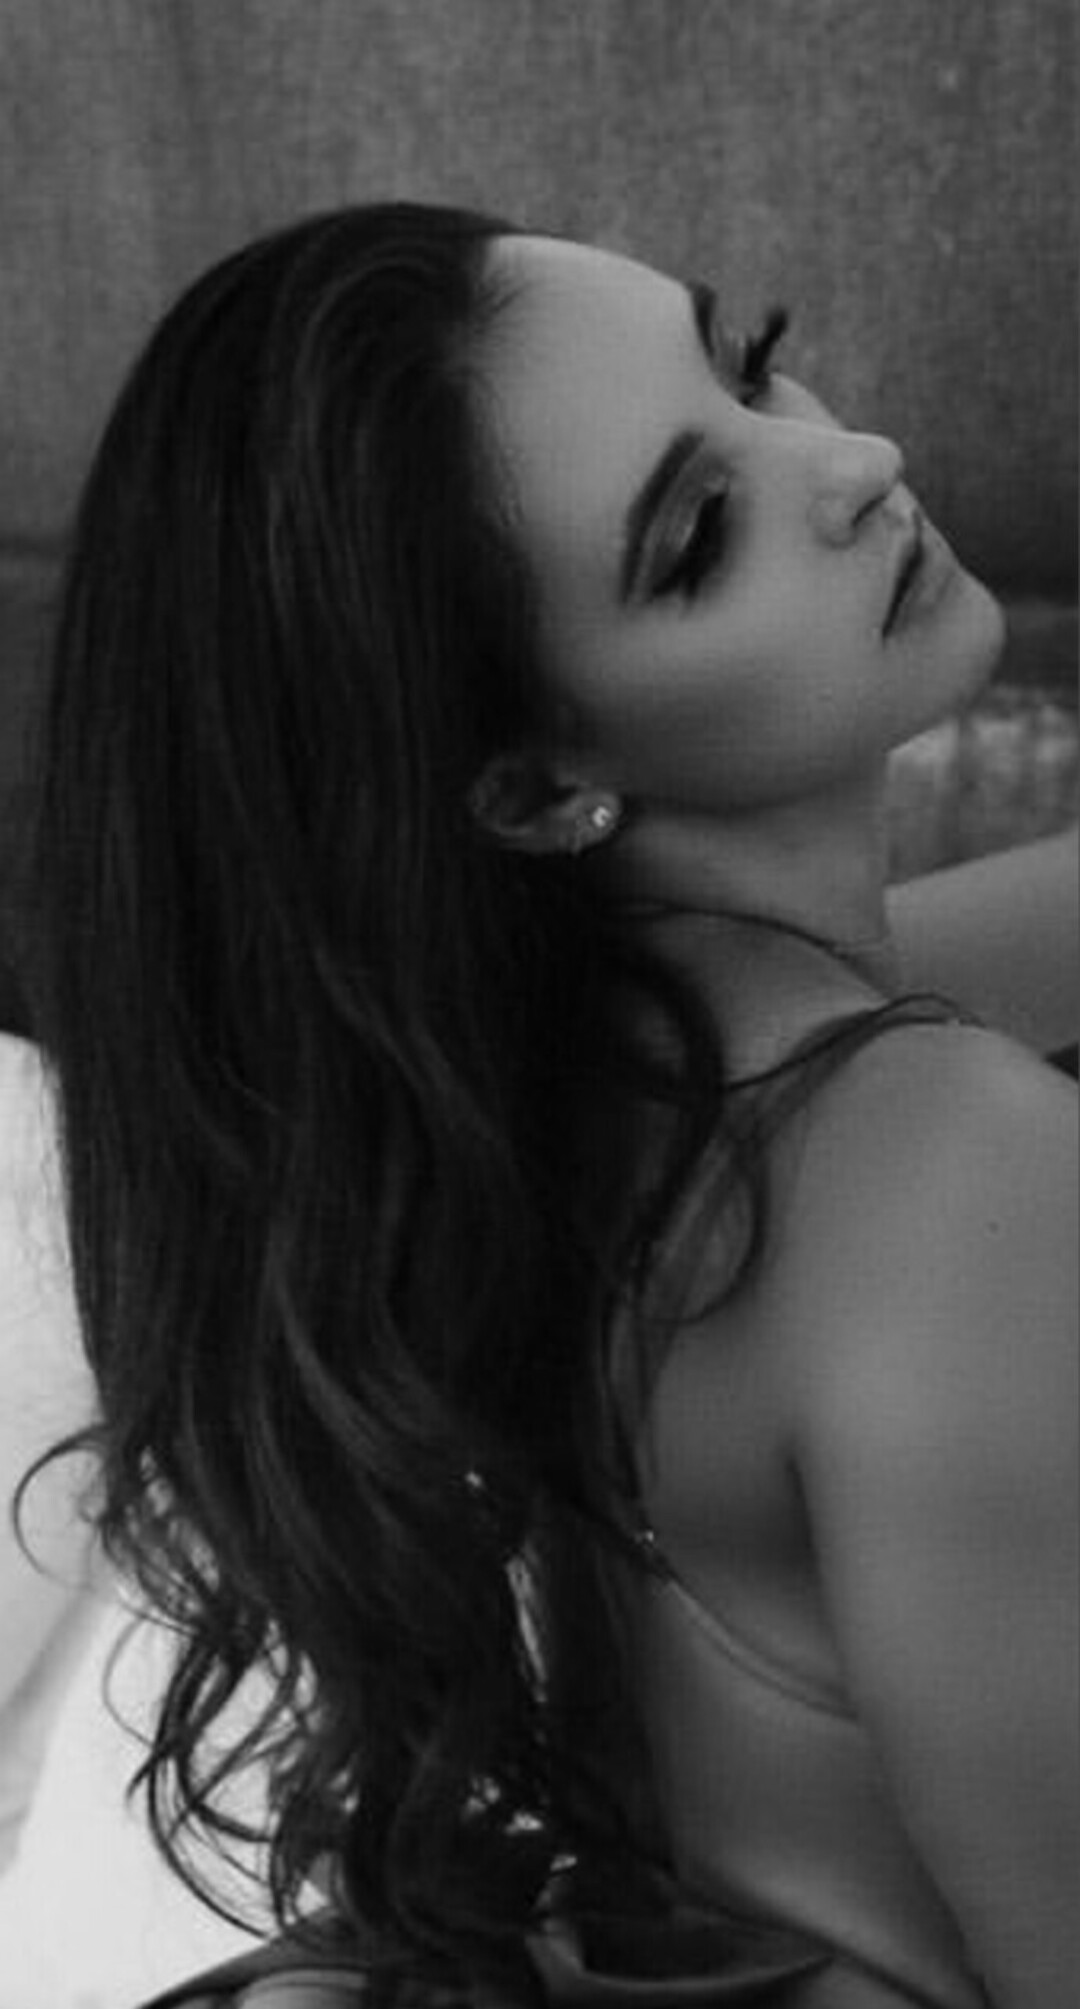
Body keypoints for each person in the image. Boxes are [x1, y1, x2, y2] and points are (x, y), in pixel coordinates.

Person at [10, 203, 1076, 2009]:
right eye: (697, 536)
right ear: (524, 785)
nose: (852, 462)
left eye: (753, 370)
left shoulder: (558, 1094)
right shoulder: (940, 1165)